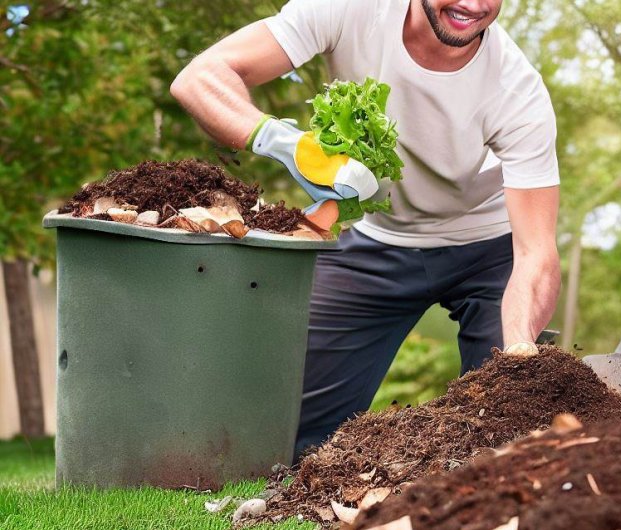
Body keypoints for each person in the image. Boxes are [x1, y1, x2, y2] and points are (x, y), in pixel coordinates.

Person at [170, 0, 561, 458]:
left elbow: (535, 251)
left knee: (506, 425)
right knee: (285, 430)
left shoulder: (516, 89)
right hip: (378, 241)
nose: (473, 5)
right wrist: (284, 144)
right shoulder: (351, 9)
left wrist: (518, 348)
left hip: (490, 250)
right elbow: (199, 78)